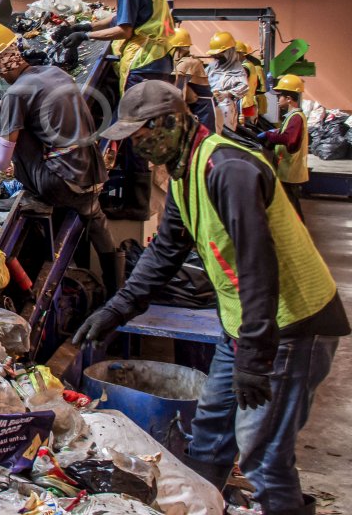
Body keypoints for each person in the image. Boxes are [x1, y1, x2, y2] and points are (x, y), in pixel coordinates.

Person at [74, 81, 347, 515]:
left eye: (141, 135)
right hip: (242, 326)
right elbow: (165, 251)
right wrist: (118, 308)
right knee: (210, 436)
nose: (137, 148)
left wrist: (255, 357)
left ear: (171, 122)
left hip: (289, 328)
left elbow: (258, 265)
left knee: (263, 454)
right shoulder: (185, 173)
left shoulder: (228, 169)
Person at [0, 23, 120, 292]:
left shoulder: (14, 96)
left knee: (16, 134)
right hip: (92, 172)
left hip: (62, 185)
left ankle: (32, 195)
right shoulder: (54, 72)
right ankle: (116, 288)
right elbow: (40, 101)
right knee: (95, 220)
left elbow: (0, 162)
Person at [260, 74, 309, 220]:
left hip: (290, 170)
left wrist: (269, 135)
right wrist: (277, 132)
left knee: (292, 206)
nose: (277, 99)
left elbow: (289, 138)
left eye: (280, 96)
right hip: (288, 169)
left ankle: (299, 230)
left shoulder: (296, 118)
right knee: (291, 204)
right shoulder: (293, 116)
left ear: (288, 99)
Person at [167, 28, 216, 132]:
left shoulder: (187, 62)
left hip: (202, 109)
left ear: (176, 49)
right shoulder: (185, 61)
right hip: (196, 107)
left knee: (203, 139)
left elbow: (179, 93)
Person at [206, 31, 250, 132]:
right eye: (215, 54)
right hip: (210, 106)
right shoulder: (211, 67)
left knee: (225, 134)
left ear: (229, 52)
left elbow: (244, 86)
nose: (217, 56)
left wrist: (227, 94)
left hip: (226, 109)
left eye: (220, 53)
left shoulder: (237, 69)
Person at [237, 40, 269, 123]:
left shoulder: (244, 68)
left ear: (240, 54)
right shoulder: (251, 65)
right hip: (251, 102)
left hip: (244, 104)